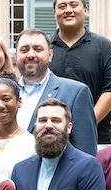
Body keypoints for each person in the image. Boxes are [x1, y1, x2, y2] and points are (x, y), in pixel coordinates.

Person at [48, 0, 111, 148]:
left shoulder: (103, 46)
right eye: (62, 6)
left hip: (96, 137)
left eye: (74, 5)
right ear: (54, 12)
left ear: (85, 10)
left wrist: (84, 125)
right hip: (50, 138)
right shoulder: (44, 48)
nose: (68, 10)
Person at [14, 29, 98, 157]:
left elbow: (86, 153)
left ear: (50, 55)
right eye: (24, 50)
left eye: (38, 49)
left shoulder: (76, 93)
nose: (31, 55)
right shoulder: (4, 94)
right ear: (16, 56)